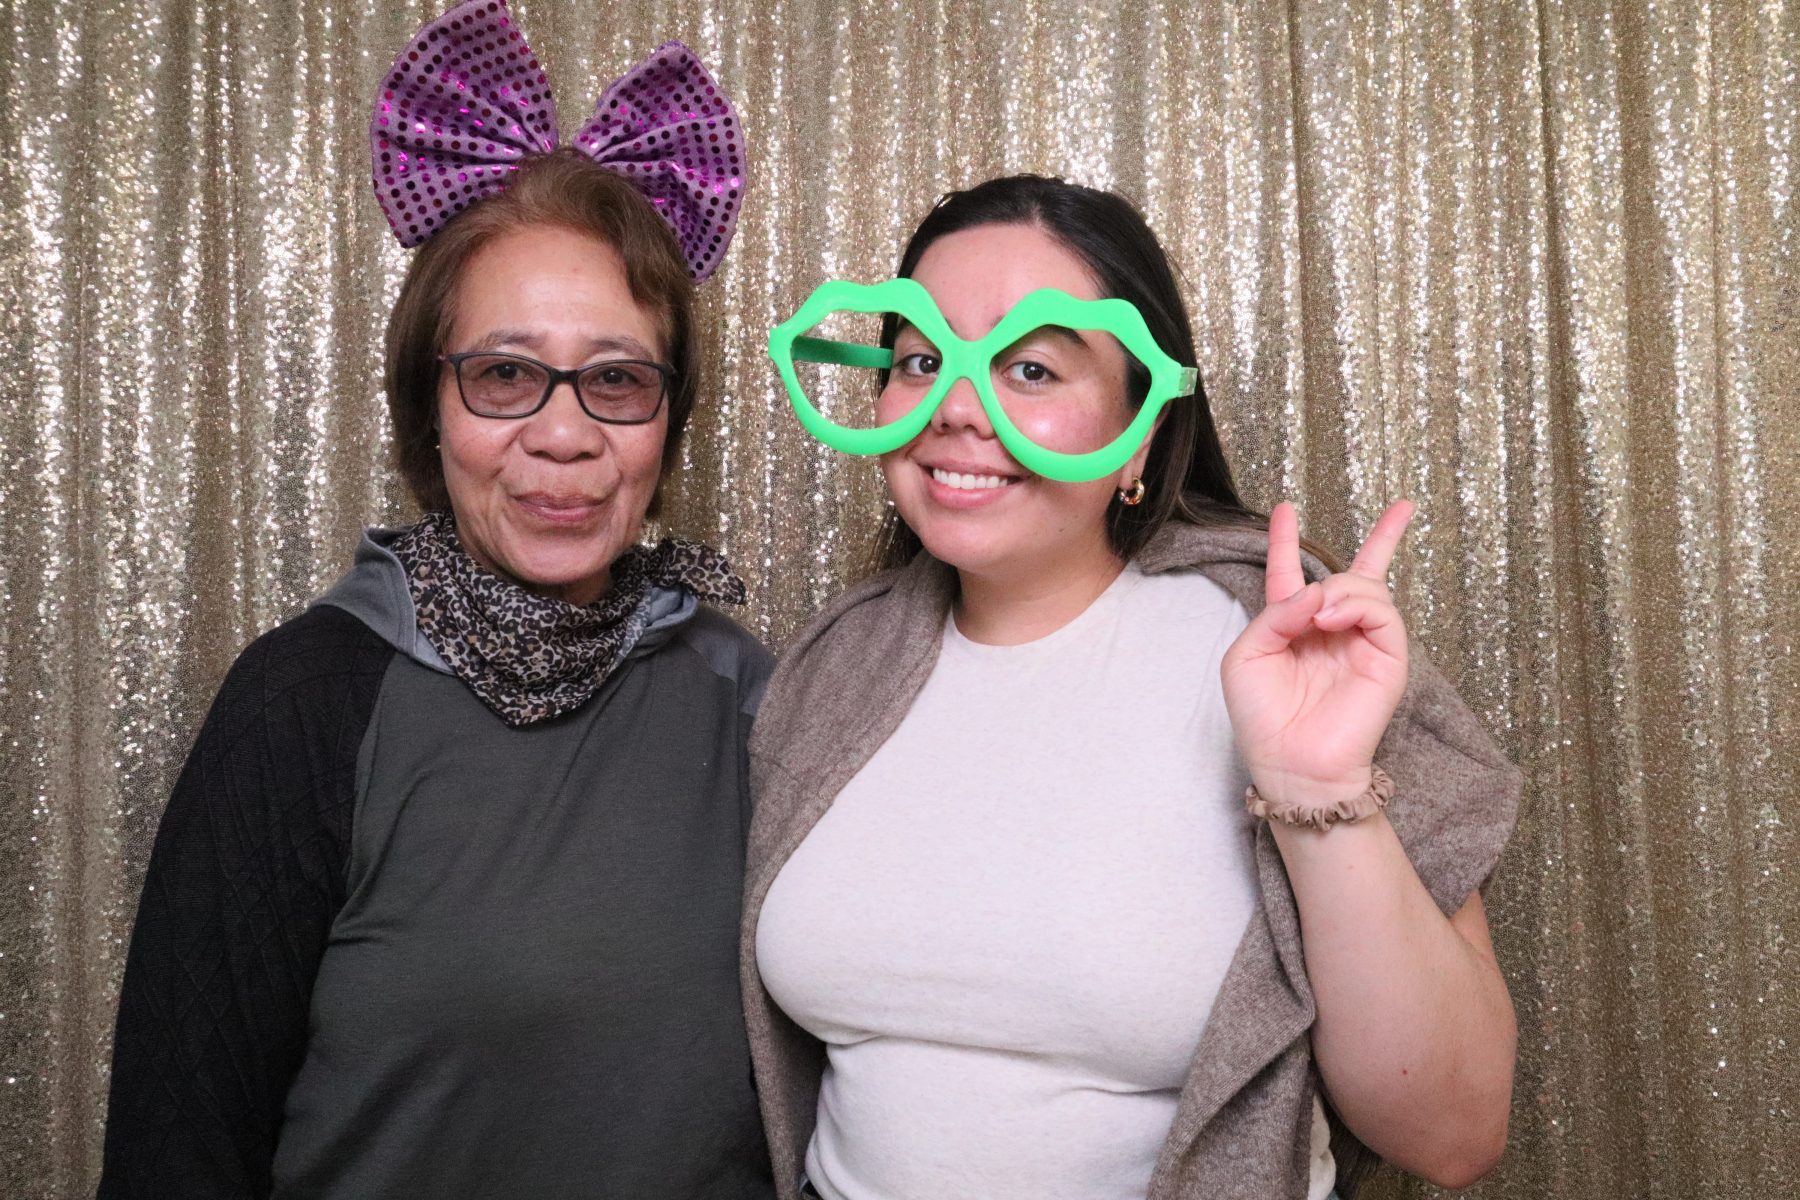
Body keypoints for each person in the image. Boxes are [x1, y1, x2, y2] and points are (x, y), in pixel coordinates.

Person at [99, 5, 771, 1196]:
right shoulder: (305, 703)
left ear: (669, 421)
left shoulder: (752, 694)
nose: (562, 434)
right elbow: (177, 1153)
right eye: (506, 374)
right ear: (430, 405)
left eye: (618, 379)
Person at [745, 175, 1521, 1200]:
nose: (958, 409)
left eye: (1031, 368)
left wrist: (1319, 791)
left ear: (1142, 433)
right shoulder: (831, 667)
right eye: (922, 360)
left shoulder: (1284, 644)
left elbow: (1452, 1134)